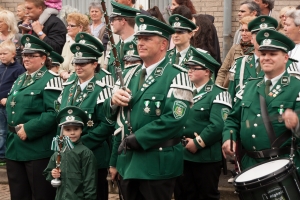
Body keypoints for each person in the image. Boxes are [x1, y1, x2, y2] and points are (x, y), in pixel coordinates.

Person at [105, 15, 193, 200]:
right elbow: (114, 120)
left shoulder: (177, 75)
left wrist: (138, 138)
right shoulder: (129, 75)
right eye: (139, 39)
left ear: (163, 45)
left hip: (157, 163)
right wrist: (112, 102)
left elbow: (175, 119)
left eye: (147, 39)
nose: (140, 43)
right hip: (128, 163)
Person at [222, 29, 300, 175]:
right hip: (249, 165)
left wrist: (297, 124)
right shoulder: (249, 86)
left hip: (282, 166)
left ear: (285, 58)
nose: (266, 58)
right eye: (263, 54)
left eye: (273, 54)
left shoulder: (296, 87)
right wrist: (229, 138)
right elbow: (233, 119)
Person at [57, 32, 115, 200]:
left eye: (83, 63)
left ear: (95, 64)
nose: (78, 67)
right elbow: (60, 119)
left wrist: (80, 143)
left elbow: (106, 124)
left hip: (92, 154)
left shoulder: (103, 88)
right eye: (76, 63)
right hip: (68, 154)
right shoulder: (68, 86)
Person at [5, 34, 62, 200]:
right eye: (25, 55)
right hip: (14, 147)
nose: (26, 59)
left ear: (43, 58)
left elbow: (54, 113)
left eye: (32, 55)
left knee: (41, 194)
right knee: (19, 194)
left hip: (36, 148)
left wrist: (29, 129)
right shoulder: (20, 79)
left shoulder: (51, 80)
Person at [175, 47, 232, 200]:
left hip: (205, 157)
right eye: (189, 68)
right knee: (184, 194)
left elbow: (218, 125)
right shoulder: (184, 92)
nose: (190, 71)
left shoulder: (219, 93)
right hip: (183, 154)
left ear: (207, 71)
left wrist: (198, 143)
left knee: (206, 195)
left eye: (195, 68)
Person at [44, 106, 97, 200]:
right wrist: (53, 174)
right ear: (62, 131)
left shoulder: (85, 153)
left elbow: (90, 182)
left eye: (76, 129)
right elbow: (47, 173)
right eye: (68, 130)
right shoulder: (58, 152)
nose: (72, 133)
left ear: (81, 130)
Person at [0, 40, 26, 166]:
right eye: (0, 54)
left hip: (9, 105)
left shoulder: (19, 69)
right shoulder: (0, 68)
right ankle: (1, 154)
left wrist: (9, 99)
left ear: (13, 54)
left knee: (9, 129)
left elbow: (18, 88)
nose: (2, 56)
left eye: (5, 53)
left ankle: (8, 153)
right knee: (1, 130)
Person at [216, 16, 256, 88]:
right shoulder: (235, 48)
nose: (243, 33)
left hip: (250, 89)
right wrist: (217, 88)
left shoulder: (259, 50)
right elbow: (223, 71)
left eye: (247, 30)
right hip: (232, 88)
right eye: (242, 30)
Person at [106, 1, 140, 81]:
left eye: (113, 19)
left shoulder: (139, 46)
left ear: (123, 21)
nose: (111, 23)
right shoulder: (114, 48)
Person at [60, 13, 89, 81]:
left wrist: (72, 76)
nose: (67, 28)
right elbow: (60, 66)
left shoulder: (90, 43)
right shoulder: (67, 43)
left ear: (80, 27)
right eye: (68, 25)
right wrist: (63, 73)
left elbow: (96, 68)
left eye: (71, 26)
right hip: (66, 84)